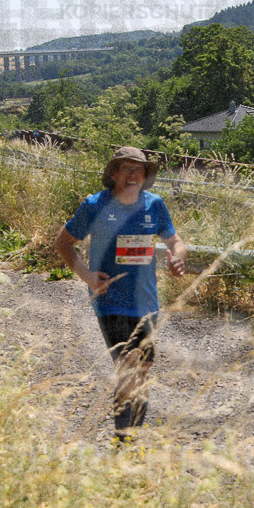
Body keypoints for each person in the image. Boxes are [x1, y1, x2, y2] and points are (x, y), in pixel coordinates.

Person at [55, 146, 188, 445]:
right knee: (128, 366)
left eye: (138, 169)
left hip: (147, 302)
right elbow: (63, 243)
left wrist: (177, 257)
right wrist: (87, 276)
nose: (132, 174)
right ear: (113, 173)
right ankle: (122, 441)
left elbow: (175, 241)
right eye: (125, 168)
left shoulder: (154, 205)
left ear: (145, 175)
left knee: (142, 372)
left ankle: (133, 440)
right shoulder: (95, 204)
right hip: (109, 300)